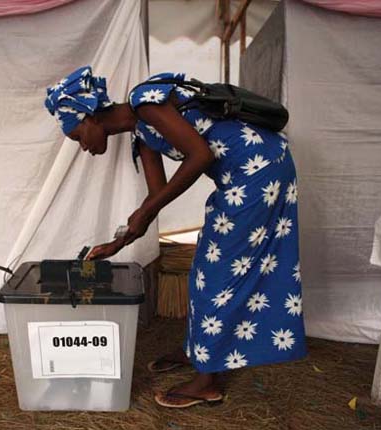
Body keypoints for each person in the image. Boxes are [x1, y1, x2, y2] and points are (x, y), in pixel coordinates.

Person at [44, 66, 307, 408]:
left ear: (89, 117)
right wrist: (120, 241)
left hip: (260, 171)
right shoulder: (142, 132)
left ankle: (207, 381)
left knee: (218, 274)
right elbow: (157, 195)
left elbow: (200, 156)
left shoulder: (145, 102)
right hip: (243, 177)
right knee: (204, 270)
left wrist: (143, 212)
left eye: (78, 136)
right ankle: (199, 350)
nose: (83, 147)